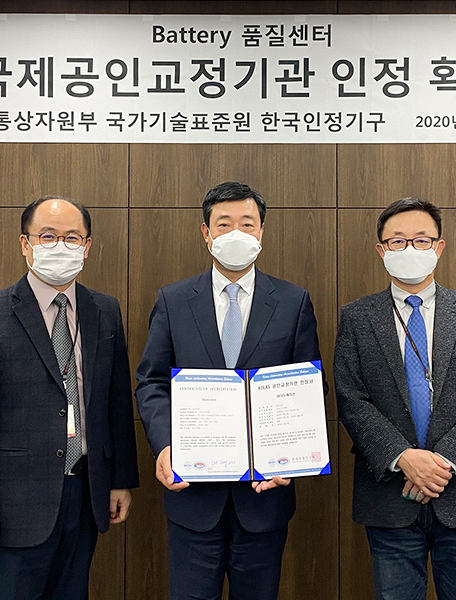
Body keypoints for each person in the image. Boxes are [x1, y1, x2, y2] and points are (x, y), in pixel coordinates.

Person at [136, 181, 325, 600]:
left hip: (264, 498)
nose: (236, 233)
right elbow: (151, 381)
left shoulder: (293, 301)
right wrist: (165, 446)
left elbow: (309, 388)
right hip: (192, 496)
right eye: (224, 224)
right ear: (206, 233)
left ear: (262, 232)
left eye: (247, 223)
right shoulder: (173, 300)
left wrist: (292, 457)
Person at [0, 195, 139, 600]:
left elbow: (116, 404)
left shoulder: (104, 310)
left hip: (85, 495)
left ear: (87, 246)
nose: (60, 246)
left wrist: (120, 480)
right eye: (48, 236)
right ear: (26, 243)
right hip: (12, 507)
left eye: (72, 237)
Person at [334, 197, 456, 600]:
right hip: (390, 496)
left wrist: (443, 463)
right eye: (397, 241)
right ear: (382, 250)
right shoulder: (357, 318)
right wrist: (404, 457)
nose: (409, 249)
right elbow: (351, 398)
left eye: (421, 240)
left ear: (439, 247)